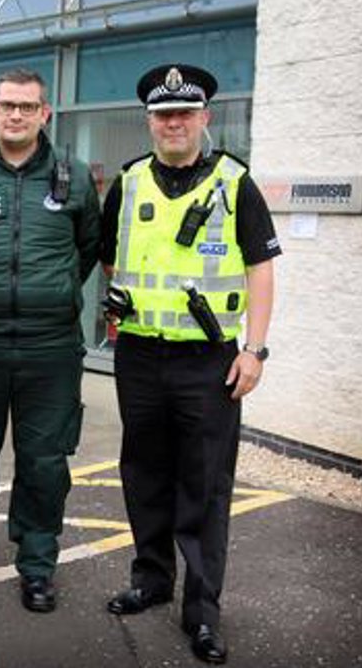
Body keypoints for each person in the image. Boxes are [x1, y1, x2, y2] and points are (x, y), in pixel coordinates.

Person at [99, 63, 281, 665]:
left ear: (204, 118)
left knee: (203, 485)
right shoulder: (127, 184)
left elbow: (260, 267)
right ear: (150, 121)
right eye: (162, 114)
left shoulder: (234, 182)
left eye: (184, 113)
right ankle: (151, 581)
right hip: (141, 356)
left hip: (210, 360)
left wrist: (253, 350)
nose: (173, 123)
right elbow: (111, 258)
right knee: (144, 474)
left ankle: (202, 612)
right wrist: (117, 311)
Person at [0, 68, 101, 613]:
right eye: (7, 105)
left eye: (28, 106)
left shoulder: (73, 177)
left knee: (45, 461)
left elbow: (88, 250)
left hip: (51, 347)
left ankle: (36, 565)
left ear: (45, 113)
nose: (16, 115)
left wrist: (45, 295)